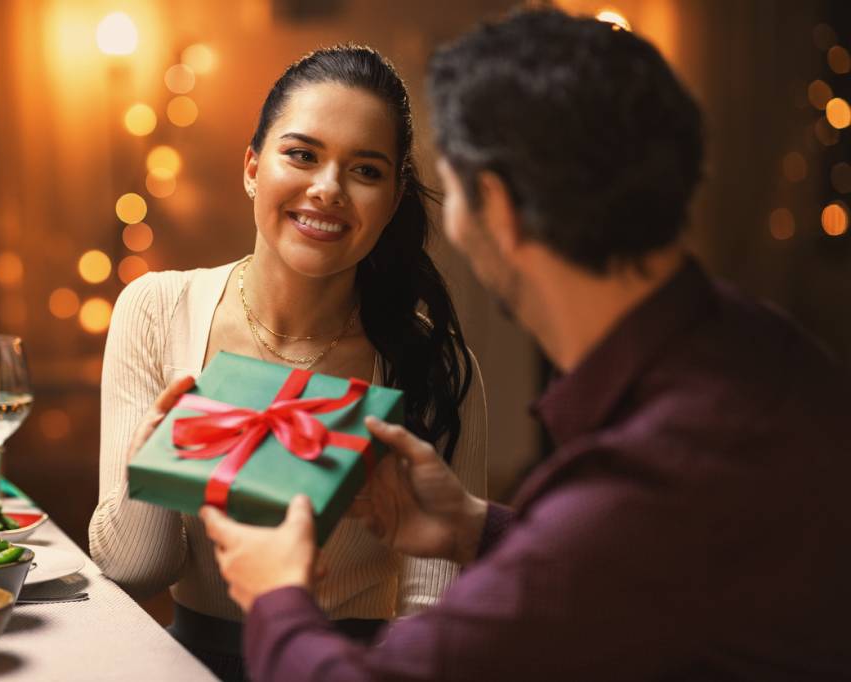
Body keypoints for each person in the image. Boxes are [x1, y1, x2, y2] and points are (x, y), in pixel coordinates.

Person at [196, 9, 851, 681]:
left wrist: (276, 593)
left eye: (448, 191)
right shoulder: (766, 345)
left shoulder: (642, 483)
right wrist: (475, 525)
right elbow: (631, 569)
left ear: (497, 208)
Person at [89, 46, 487, 681]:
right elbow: (135, 571)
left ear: (392, 198)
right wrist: (154, 469)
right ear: (252, 167)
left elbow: (432, 618)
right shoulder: (156, 309)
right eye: (302, 155)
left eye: (365, 170)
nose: (327, 189)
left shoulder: (429, 363)